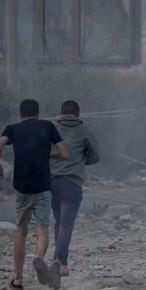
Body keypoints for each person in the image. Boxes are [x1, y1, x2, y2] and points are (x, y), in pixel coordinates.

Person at [0, 99, 70, 290]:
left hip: (22, 188)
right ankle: (39, 258)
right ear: (38, 113)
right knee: (42, 228)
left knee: (21, 230)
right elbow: (65, 153)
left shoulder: (13, 128)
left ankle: (18, 279)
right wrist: (48, 155)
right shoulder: (47, 126)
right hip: (43, 186)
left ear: (20, 114)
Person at [50, 100, 100, 277]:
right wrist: (80, 161)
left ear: (60, 112)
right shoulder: (84, 131)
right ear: (78, 114)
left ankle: (58, 260)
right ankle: (60, 262)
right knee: (66, 224)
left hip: (51, 181)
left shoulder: (51, 129)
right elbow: (96, 156)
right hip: (72, 183)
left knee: (58, 221)